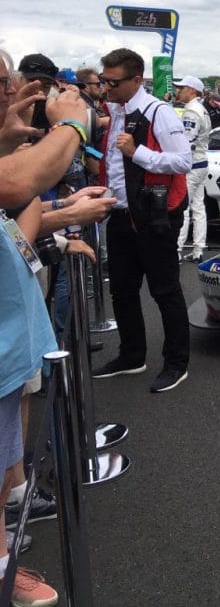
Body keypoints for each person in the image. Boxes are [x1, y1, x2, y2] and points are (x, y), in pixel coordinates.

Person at [0, 72, 99, 606]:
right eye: (1, 82)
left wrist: (61, 218)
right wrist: (68, 127)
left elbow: (10, 220)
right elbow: (16, 191)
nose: (13, 93)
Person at [91, 48, 192, 393]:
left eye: (113, 81)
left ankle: (177, 363)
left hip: (155, 216)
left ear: (136, 80)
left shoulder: (158, 112)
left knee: (165, 290)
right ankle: (132, 355)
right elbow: (113, 165)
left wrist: (138, 152)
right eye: (104, 80)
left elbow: (182, 161)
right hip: (120, 213)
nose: (107, 87)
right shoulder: (115, 112)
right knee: (121, 289)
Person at [174, 76, 212, 263]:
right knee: (198, 208)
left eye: (182, 87)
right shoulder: (201, 109)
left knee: (183, 208)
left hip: (191, 165)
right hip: (201, 162)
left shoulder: (192, 111)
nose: (178, 90)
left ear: (192, 90)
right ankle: (198, 249)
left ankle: (177, 250)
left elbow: (186, 142)